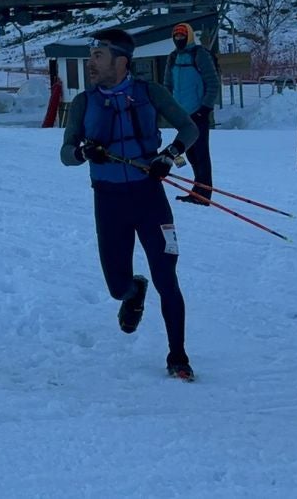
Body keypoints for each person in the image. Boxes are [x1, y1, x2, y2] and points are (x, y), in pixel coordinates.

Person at [60, 28, 200, 381]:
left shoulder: (150, 93)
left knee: (167, 277)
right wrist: (81, 152)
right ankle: (133, 291)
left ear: (121, 61)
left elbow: (189, 129)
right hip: (108, 202)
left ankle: (178, 356)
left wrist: (168, 157)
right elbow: (65, 154)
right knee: (116, 285)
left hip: (149, 197)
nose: (91, 63)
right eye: (91, 56)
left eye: (98, 56)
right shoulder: (83, 103)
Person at [163, 23, 220, 204]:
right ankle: (198, 190)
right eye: (176, 36)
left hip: (198, 112)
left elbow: (212, 82)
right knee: (190, 153)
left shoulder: (199, 54)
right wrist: (168, 107)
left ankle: (203, 194)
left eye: (182, 36)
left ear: (188, 36)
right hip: (181, 115)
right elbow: (167, 85)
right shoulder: (172, 57)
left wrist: (206, 107)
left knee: (201, 153)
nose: (178, 39)